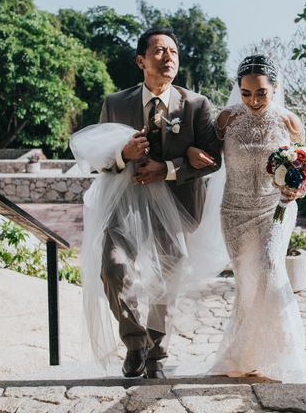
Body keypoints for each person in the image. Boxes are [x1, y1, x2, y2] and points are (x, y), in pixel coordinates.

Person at [71, 26, 221, 379]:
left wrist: (168, 168)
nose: (168, 57)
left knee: (173, 269)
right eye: (158, 51)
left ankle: (157, 347)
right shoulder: (115, 103)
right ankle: (135, 342)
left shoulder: (196, 105)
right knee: (113, 268)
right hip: (124, 203)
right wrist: (123, 154)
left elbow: (214, 158)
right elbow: (97, 159)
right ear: (141, 60)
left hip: (176, 202)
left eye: (173, 51)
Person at [186, 55, 306, 382]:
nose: (253, 101)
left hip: (275, 207)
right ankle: (245, 356)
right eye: (246, 93)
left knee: (271, 265)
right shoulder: (225, 120)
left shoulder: (289, 122)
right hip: (234, 209)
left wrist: (296, 191)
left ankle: (282, 354)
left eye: (261, 93)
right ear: (238, 90)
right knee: (246, 281)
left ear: (275, 89)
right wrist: (190, 153)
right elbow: (208, 156)